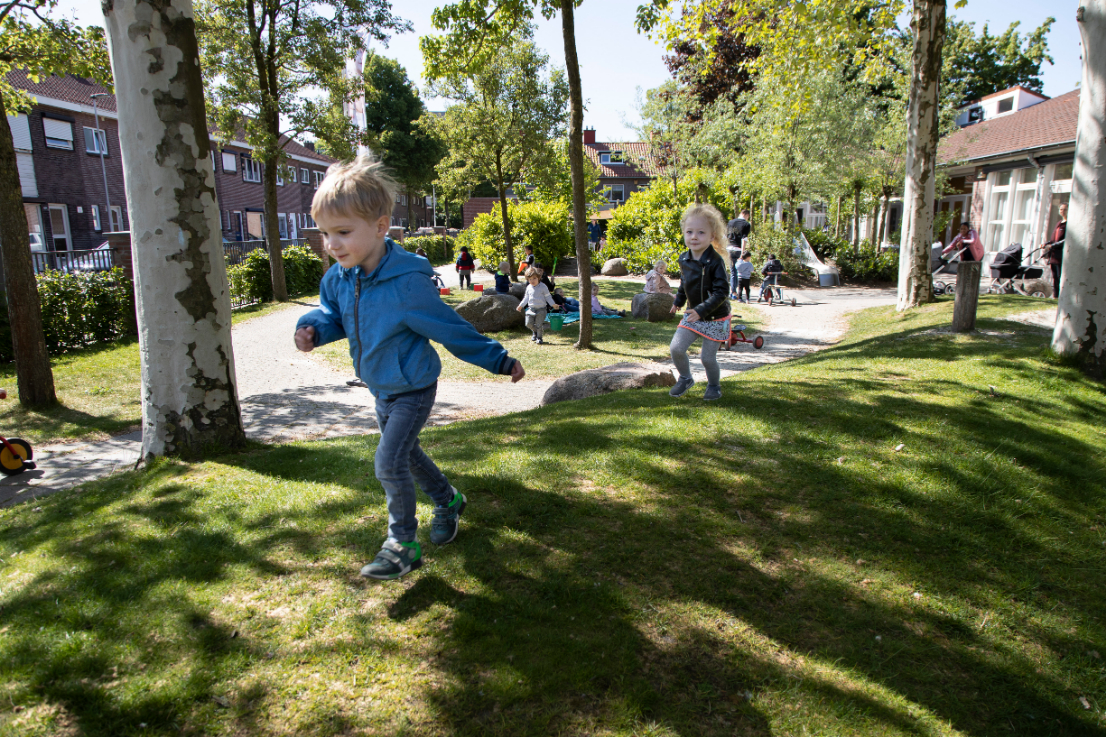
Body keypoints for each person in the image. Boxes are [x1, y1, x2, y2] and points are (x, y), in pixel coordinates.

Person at [293, 155, 525, 581]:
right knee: (409, 455)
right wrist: (312, 329)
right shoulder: (339, 279)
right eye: (326, 234)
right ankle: (449, 500)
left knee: (388, 461)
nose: (333, 244)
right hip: (380, 388)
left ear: (380, 227)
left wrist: (498, 359)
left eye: (343, 233)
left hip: (414, 388)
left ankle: (402, 544)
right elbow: (335, 316)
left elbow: (450, 328)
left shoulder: (406, 284)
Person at [669, 203, 731, 401]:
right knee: (676, 348)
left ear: (712, 236)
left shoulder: (715, 261)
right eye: (689, 232)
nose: (694, 237)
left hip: (714, 317)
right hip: (693, 314)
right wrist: (678, 300)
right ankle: (686, 378)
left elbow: (722, 292)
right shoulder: (684, 259)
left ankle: (714, 386)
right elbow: (685, 282)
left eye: (701, 232)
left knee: (707, 358)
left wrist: (702, 310)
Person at [516, 266, 557, 344]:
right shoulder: (528, 287)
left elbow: (548, 297)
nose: (532, 281)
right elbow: (526, 298)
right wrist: (521, 305)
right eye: (530, 279)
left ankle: (539, 337)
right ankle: (535, 331)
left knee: (539, 324)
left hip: (541, 309)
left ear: (539, 277)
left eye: (534, 278)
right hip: (531, 309)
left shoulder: (543, 286)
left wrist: (553, 304)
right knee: (528, 323)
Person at [726, 209, 752, 297]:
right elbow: (744, 239)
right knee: (739, 271)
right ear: (745, 214)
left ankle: (733, 291)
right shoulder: (746, 224)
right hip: (738, 249)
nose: (748, 218)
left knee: (732, 271)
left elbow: (725, 236)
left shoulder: (731, 222)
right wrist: (742, 252)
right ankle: (735, 292)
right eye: (748, 216)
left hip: (729, 248)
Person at [1044, 203, 1067, 298]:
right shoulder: (1059, 223)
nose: (1062, 211)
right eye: (1060, 209)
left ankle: (1061, 296)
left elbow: (1066, 239)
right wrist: (1046, 244)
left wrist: (1053, 245)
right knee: (1054, 277)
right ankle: (1056, 296)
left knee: (1060, 276)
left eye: (1064, 209)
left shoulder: (1068, 224)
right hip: (1053, 255)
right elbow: (1054, 238)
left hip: (1061, 255)